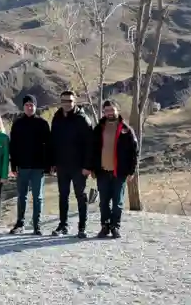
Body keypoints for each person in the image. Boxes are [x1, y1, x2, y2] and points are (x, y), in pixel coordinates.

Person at [49, 90, 95, 238]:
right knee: (63, 195)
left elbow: (90, 144)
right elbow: (53, 142)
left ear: (75, 102)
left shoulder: (82, 119)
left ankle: (82, 227)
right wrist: (53, 162)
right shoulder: (57, 118)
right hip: (62, 165)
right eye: (64, 101)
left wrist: (88, 166)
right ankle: (63, 225)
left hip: (79, 166)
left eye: (69, 101)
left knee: (80, 196)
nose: (67, 103)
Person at [92, 99, 139, 239]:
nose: (109, 113)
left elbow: (134, 152)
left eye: (112, 110)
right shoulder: (98, 128)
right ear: (103, 112)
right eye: (106, 110)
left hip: (120, 172)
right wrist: (92, 168)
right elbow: (92, 150)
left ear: (117, 110)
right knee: (104, 202)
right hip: (102, 172)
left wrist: (131, 171)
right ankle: (105, 226)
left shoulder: (126, 130)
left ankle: (115, 227)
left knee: (117, 203)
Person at [9, 95, 52, 235]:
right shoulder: (17, 124)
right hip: (22, 166)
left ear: (35, 106)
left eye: (32, 104)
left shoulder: (42, 124)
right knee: (22, 196)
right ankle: (20, 224)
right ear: (23, 107)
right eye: (27, 104)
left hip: (38, 167)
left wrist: (48, 165)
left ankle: (37, 225)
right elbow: (13, 146)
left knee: (37, 197)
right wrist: (13, 165)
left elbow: (49, 146)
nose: (29, 107)